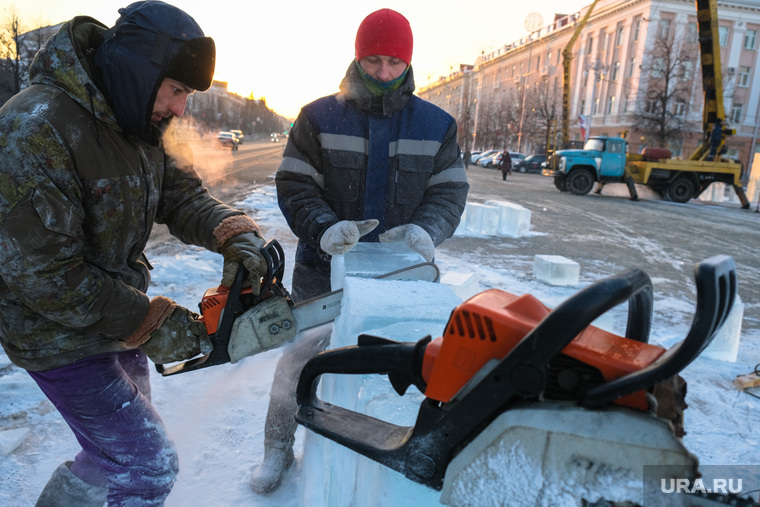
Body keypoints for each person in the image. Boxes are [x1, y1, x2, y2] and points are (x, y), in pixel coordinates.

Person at [0, 2, 273, 504]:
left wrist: (231, 233)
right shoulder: (34, 129)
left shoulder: (136, 122)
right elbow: (44, 277)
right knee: (145, 465)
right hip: (55, 333)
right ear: (138, 71)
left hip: (115, 319)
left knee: (115, 456)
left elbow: (182, 194)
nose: (179, 109)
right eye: (175, 91)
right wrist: (149, 320)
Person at [249, 8, 469, 494]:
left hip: (403, 275)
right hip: (321, 269)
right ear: (357, 56)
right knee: (300, 362)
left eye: (394, 62)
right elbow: (295, 187)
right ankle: (277, 447)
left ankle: (376, 459)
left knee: (396, 368)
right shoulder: (318, 117)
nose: (384, 73)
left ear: (409, 62)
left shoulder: (437, 125)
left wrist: (426, 231)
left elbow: (449, 194)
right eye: (373, 61)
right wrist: (324, 229)